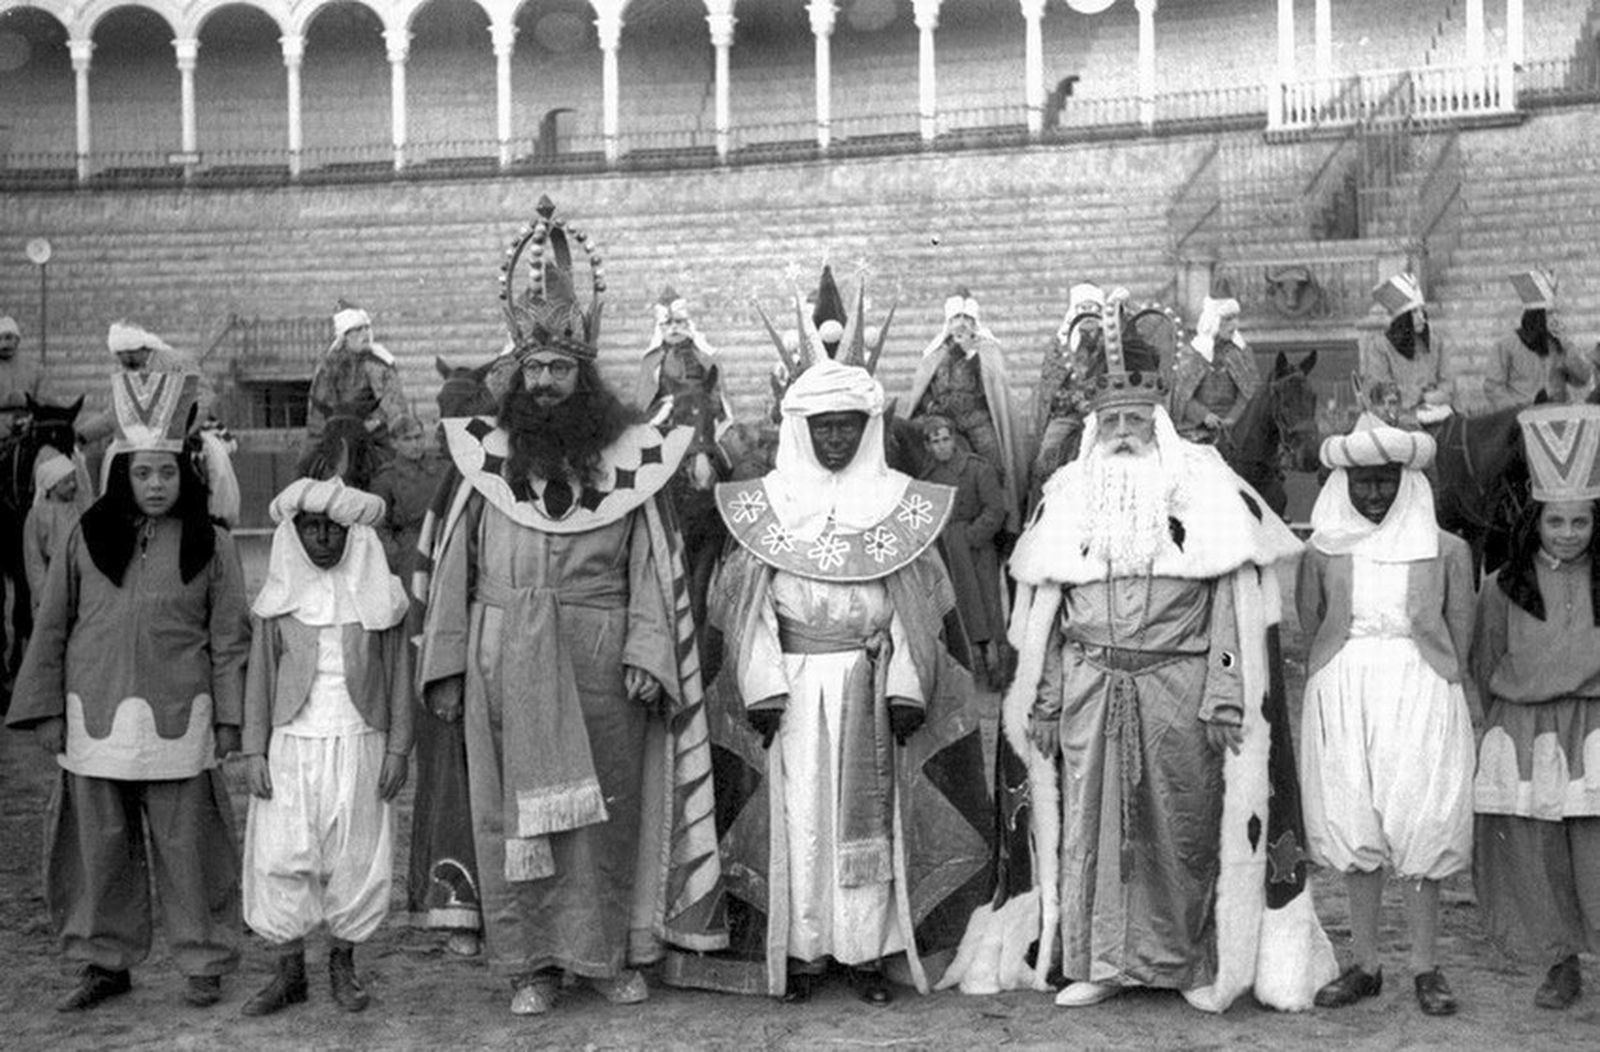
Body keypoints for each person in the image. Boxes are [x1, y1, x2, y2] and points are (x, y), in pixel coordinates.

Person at [940, 299, 1335, 1012]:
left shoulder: (1206, 489)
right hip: (1090, 688)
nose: (1124, 436)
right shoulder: (1066, 497)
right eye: (1111, 423)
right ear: (1094, 429)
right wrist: (1048, 695)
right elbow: (1050, 614)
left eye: (1137, 423)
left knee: (1180, 828)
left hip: (1180, 688)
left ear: (1159, 425)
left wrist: (1223, 691)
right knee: (1093, 834)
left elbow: (1231, 597)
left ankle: (1181, 963)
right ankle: (1099, 962)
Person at [412, 197, 724, 1016]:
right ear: (518, 377)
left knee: (601, 820)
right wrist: (446, 664)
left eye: (562, 370)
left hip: (601, 661)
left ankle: (609, 954)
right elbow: (452, 568)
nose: (546, 384)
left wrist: (650, 653)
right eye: (536, 370)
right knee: (515, 825)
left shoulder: (629, 467)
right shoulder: (483, 466)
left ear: (586, 377)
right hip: (501, 655)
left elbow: (655, 568)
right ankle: (529, 965)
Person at [685, 356, 993, 1004]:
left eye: (847, 427)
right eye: (823, 427)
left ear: (867, 428)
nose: (835, 440)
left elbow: (919, 610)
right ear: (801, 429)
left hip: (869, 683)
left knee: (871, 818)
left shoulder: (897, 509)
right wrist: (762, 684)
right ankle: (800, 951)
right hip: (791, 691)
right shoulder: (767, 510)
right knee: (800, 821)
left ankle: (862, 954)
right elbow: (747, 608)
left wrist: (906, 684)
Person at [6, 369, 249, 1011]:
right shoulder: (86, 536)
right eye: (143, 474)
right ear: (122, 474)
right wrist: (45, 709)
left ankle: (202, 958)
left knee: (189, 846)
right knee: (98, 846)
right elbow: (51, 624)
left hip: (182, 717)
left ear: (184, 473)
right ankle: (102, 961)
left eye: (166, 473)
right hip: (94, 716)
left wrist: (230, 719)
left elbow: (229, 641)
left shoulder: (213, 546)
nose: (156, 486)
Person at [1297, 416, 1475, 1016]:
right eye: (1363, 482)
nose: (1374, 494)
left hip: (1421, 686)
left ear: (1407, 482)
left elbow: (1462, 634)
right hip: (1344, 687)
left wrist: (1438, 678)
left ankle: (1426, 965)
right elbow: (1311, 620)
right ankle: (1366, 963)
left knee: (1422, 818)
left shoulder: (1447, 549)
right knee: (1355, 819)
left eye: (1386, 482)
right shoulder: (1322, 551)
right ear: (1343, 483)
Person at [239, 476, 412, 1016]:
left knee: (354, 854)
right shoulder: (278, 602)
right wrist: (253, 751)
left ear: (352, 533)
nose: (321, 539)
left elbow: (398, 678)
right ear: (294, 534)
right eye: (309, 528)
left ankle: (343, 962)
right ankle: (288, 969)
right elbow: (261, 680)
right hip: (292, 742)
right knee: (282, 852)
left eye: (332, 528)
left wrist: (398, 749)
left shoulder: (380, 602)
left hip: (361, 739)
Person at [1472, 403, 1600, 1010]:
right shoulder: (1502, 586)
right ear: (1536, 521)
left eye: (1581, 523)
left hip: (1593, 729)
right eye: (1557, 523)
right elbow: (1485, 659)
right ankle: (1560, 963)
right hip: (1525, 729)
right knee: (1539, 855)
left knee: (1595, 853)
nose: (1569, 534)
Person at [905, 287, 1028, 531]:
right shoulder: (936, 352)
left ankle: (1000, 519)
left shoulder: (986, 349)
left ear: (974, 322)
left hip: (976, 417)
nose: (960, 324)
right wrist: (931, 406)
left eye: (966, 319)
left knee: (994, 459)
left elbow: (993, 386)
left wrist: (971, 353)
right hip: (942, 418)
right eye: (955, 319)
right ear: (947, 323)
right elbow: (923, 389)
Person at [919, 414, 1009, 688]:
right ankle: (969, 668)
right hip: (945, 551)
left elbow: (996, 509)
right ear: (928, 447)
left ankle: (997, 667)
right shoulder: (929, 477)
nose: (942, 446)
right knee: (956, 607)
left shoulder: (977, 468)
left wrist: (971, 537)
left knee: (987, 606)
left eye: (946, 439)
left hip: (976, 550)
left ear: (954, 439)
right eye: (935, 442)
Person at [304, 301, 409, 484]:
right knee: (305, 464)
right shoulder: (328, 366)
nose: (365, 334)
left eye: (367, 328)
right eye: (357, 330)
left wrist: (376, 423)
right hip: (335, 428)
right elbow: (319, 406)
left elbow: (394, 405)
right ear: (344, 337)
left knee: (398, 467)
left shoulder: (379, 364)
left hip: (372, 430)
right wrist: (328, 428)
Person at [1030, 283, 1103, 509]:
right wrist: (1076, 401)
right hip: (1069, 413)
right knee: (1047, 453)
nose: (1088, 313)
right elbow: (1051, 387)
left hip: (1104, 411)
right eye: (1083, 307)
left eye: (1093, 307)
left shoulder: (1112, 342)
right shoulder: (1060, 345)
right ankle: (1038, 510)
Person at [1484, 270, 1592, 410]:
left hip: (1557, 415)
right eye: (1550, 314)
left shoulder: (1559, 344)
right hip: (1521, 419)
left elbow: (1583, 379)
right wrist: (1514, 412)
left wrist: (1567, 345)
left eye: (1557, 313)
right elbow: (1493, 386)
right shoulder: (1507, 344)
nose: (1556, 319)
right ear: (1537, 317)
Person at [1360, 273, 1452, 427]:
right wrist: (1420, 396)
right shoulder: (1379, 347)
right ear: (1402, 319)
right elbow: (1381, 393)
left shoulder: (1436, 343)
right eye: (1415, 312)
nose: (1422, 317)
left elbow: (1447, 385)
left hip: (1436, 413)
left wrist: (1435, 397)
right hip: (1398, 421)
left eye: (1422, 311)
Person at [1170, 295, 1260, 446]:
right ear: (1214, 322)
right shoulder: (1192, 355)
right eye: (1228, 319)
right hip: (1197, 431)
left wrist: (1233, 418)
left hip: (1236, 430)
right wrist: (1204, 415)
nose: (1234, 325)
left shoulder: (1240, 354)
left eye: (1235, 318)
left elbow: (1249, 393)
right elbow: (1181, 396)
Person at [369, 415, 446, 578]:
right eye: (407, 439)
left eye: (418, 437)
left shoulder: (443, 468)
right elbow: (379, 524)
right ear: (394, 443)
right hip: (410, 549)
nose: (415, 444)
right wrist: (395, 556)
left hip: (444, 542)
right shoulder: (386, 478)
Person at [22, 448, 85, 617]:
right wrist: (44, 596)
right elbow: (34, 559)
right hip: (50, 587)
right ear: (52, 485)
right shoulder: (37, 516)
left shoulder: (78, 510)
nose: (73, 485)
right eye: (66, 482)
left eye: (74, 480)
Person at [0, 313, 43, 433]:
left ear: (17, 340)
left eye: (8, 337)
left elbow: (44, 402)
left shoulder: (34, 369)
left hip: (28, 427)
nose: (3, 343)